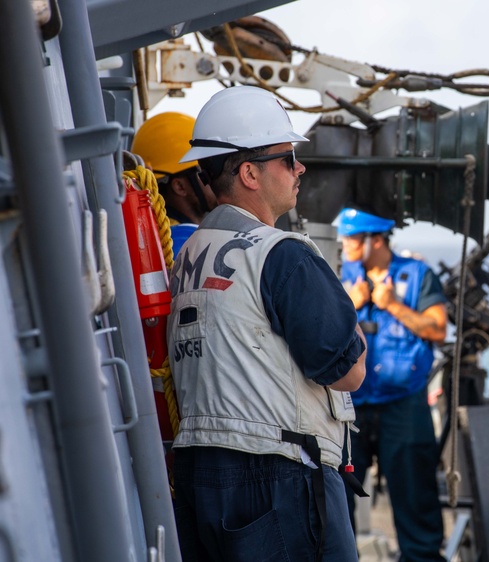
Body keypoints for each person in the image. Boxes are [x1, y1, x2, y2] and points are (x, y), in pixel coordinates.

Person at [167, 86, 366, 562]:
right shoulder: (280, 254)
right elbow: (348, 370)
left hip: (200, 475)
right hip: (280, 481)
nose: (299, 168)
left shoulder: (188, 254)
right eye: (288, 157)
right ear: (250, 173)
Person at [337, 207, 448, 562]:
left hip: (404, 405)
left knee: (416, 494)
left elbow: (438, 329)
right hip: (349, 407)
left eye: (352, 238)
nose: (344, 244)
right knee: (338, 496)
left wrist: (394, 306)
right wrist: (349, 306)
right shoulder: (336, 274)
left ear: (377, 240)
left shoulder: (417, 275)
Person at [131, 111, 218, 257]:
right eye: (206, 170)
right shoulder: (187, 243)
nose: (217, 177)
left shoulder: (158, 237)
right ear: (180, 186)